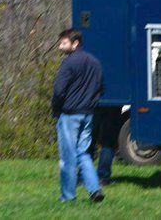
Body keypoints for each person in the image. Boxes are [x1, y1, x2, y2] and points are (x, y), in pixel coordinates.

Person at [52, 28, 105, 203]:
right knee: (83, 153)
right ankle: (95, 189)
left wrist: (56, 109)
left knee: (68, 157)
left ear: (76, 43)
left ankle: (68, 196)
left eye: (64, 43)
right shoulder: (95, 62)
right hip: (89, 114)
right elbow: (101, 88)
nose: (60, 47)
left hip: (70, 115)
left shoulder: (69, 63)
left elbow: (59, 91)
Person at [91, 106, 123, 186]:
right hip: (112, 106)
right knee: (108, 143)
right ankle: (103, 177)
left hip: (93, 104)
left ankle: (83, 177)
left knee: (89, 142)